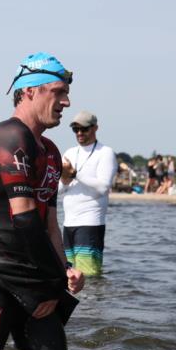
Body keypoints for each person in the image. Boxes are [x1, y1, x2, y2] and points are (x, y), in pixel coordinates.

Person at [0, 52, 85, 350]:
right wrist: (52, 282)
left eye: (67, 93)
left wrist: (65, 268)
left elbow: (48, 224)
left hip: (36, 281)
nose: (66, 102)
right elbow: (24, 218)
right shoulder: (9, 135)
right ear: (30, 91)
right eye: (59, 92)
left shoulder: (51, 152)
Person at [59, 110, 118, 277]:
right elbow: (58, 190)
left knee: (89, 276)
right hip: (68, 224)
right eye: (75, 129)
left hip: (90, 222)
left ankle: (93, 304)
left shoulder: (105, 152)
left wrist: (74, 174)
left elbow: (103, 187)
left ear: (95, 128)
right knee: (69, 276)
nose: (79, 133)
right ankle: (77, 304)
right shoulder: (69, 153)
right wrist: (65, 179)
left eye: (84, 129)